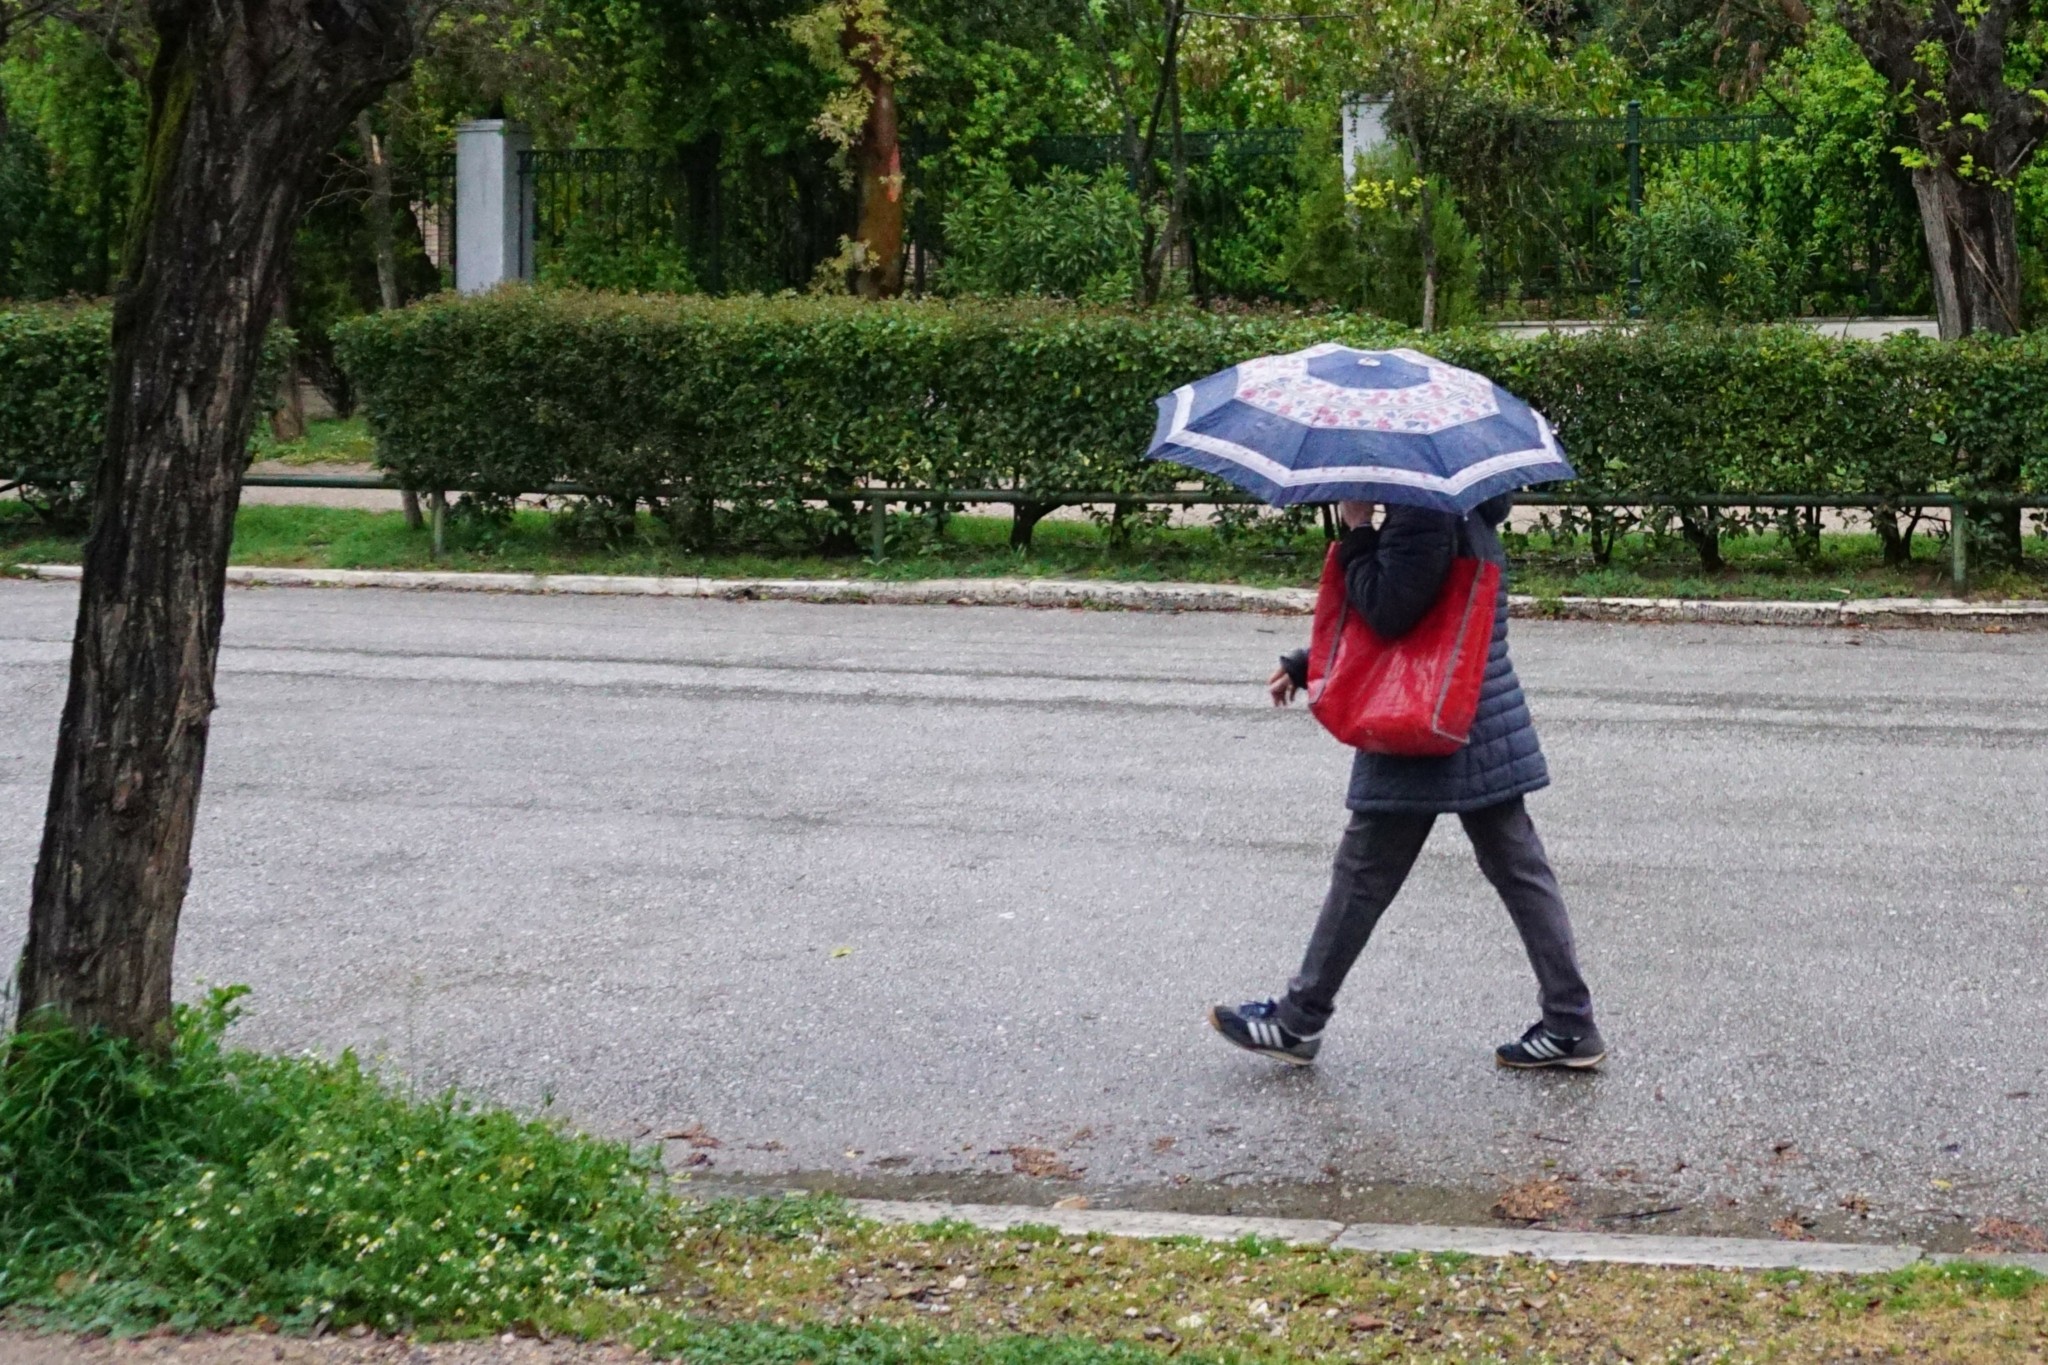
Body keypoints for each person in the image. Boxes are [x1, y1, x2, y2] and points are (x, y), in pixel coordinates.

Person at [1208, 494, 1605, 1070]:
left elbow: (1390, 611)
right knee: (1517, 867)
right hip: (1473, 710)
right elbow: (1428, 604)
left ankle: (1299, 1021)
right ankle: (1570, 1024)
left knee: (1365, 871)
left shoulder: (1422, 514)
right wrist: (1308, 659)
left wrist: (1358, 528)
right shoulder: (1466, 509)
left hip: (1423, 718)